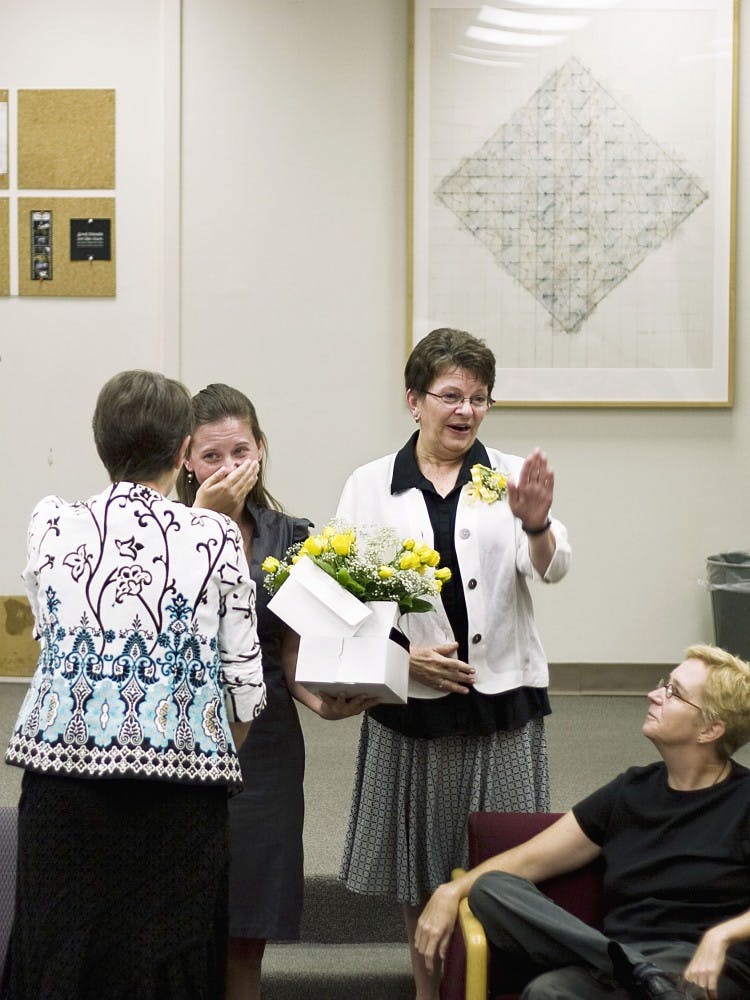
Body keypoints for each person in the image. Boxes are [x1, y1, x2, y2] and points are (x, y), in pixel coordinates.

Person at [1, 370, 266, 1000]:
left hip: (62, 785)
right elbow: (246, 688)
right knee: (165, 963)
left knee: (61, 953)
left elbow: (50, 633)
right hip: (179, 796)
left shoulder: (51, 523)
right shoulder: (215, 534)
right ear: (183, 452)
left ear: (99, 445)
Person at [334, 326, 571, 999]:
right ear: (414, 400)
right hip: (412, 704)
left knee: (502, 865)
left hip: (502, 698)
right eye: (450, 395)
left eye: (480, 398)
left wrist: (537, 524)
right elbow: (346, 596)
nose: (465, 410)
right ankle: (426, 989)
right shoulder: (371, 485)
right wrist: (404, 660)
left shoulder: (510, 477)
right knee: (422, 873)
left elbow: (550, 569)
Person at [176, 383, 376, 1000]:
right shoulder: (164, 532)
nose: (229, 468)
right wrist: (203, 528)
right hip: (177, 730)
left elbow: (295, 652)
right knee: (180, 919)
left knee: (247, 926)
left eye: (241, 451)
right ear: (185, 459)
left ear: (262, 450)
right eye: (212, 456)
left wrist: (322, 700)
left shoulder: (290, 536)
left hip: (264, 741)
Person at [415, 644, 750, 1000]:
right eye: (663, 683)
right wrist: (450, 890)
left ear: (710, 730)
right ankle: (635, 969)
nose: (654, 695)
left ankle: (640, 974)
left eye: (674, 693)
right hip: (616, 961)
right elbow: (528, 860)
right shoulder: (630, 790)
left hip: (700, 970)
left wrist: (722, 935)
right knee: (495, 896)